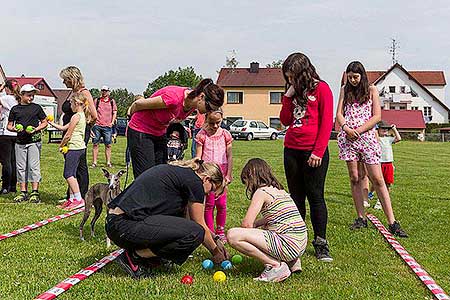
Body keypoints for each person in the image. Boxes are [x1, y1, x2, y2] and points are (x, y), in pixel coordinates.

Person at [105, 158, 229, 279]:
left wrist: (215, 239)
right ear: (207, 179)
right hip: (123, 226)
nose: (208, 195)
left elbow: (189, 221)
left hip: (117, 224)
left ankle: (151, 257)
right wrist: (216, 253)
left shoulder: (182, 175)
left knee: (188, 228)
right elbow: (199, 226)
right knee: (195, 233)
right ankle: (134, 256)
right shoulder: (195, 182)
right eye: (211, 190)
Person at [336, 61, 407, 237]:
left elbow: (377, 116)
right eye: (350, 77)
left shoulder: (372, 90)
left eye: (355, 77)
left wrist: (359, 130)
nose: (352, 80)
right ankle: (361, 218)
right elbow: (338, 114)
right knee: (355, 177)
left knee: (377, 178)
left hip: (366, 138)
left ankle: (392, 222)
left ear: (362, 75)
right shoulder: (345, 90)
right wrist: (346, 128)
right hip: (348, 138)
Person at [279, 52, 334, 261]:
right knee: (296, 197)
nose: (290, 80)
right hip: (291, 150)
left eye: (292, 76)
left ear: (303, 72)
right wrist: (287, 97)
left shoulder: (322, 89)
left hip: (313, 152)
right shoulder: (291, 91)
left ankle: (321, 243)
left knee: (316, 196)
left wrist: (318, 151)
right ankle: (296, 240)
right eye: (287, 77)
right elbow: (284, 121)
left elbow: (327, 123)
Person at [227, 158, 307, 282]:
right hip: (300, 243)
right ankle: (293, 261)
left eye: (246, 181)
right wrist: (258, 224)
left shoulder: (261, 192)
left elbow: (247, 224)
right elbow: (275, 216)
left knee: (233, 235)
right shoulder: (280, 190)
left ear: (252, 177)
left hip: (288, 245)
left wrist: (250, 230)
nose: (247, 186)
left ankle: (275, 266)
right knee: (268, 227)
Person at [127, 79, 224, 179]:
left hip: (159, 133)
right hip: (140, 130)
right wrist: (129, 116)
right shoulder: (174, 98)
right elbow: (137, 104)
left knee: (161, 173)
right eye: (209, 108)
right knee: (145, 177)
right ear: (202, 97)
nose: (208, 112)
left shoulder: (192, 105)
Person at [59, 66, 97, 202]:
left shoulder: (84, 93)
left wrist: (85, 128)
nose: (64, 82)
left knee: (80, 164)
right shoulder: (72, 92)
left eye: (65, 80)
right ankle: (72, 195)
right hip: (70, 131)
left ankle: (82, 195)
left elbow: (94, 115)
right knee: (72, 164)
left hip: (78, 134)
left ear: (72, 78)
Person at [195, 109, 233, 242]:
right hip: (208, 174)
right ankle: (210, 232)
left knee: (221, 204)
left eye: (218, 122)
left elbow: (229, 156)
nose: (215, 126)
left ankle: (220, 230)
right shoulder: (202, 135)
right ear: (206, 119)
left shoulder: (225, 135)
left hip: (221, 174)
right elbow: (198, 156)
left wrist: (228, 174)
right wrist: (198, 173)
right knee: (209, 204)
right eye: (212, 123)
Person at [7, 84, 48, 203]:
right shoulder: (15, 109)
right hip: (20, 142)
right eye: (29, 95)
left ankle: (35, 192)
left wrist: (36, 129)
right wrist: (15, 129)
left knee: (33, 167)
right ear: (22, 95)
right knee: (21, 167)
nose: (31, 97)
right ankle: (23, 192)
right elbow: (9, 126)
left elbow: (44, 122)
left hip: (34, 141)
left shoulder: (37, 108)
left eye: (33, 95)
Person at [48, 93, 89, 210]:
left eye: (71, 103)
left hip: (74, 148)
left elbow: (67, 135)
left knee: (68, 174)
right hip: (80, 148)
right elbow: (64, 128)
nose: (70, 105)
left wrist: (61, 145)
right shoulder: (81, 116)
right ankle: (71, 199)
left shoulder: (75, 116)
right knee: (73, 174)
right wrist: (51, 123)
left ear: (76, 103)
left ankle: (78, 199)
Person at [372, 120, 401, 210]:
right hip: (379, 163)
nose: (385, 130)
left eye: (386, 129)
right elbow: (374, 134)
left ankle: (381, 201)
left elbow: (399, 138)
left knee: (388, 183)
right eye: (383, 128)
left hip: (388, 163)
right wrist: (376, 128)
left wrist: (394, 129)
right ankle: (372, 193)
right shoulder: (377, 139)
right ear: (378, 129)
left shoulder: (389, 139)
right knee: (378, 182)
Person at [0, 80, 20, 194]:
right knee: (13, 161)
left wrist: (1, 88)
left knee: (5, 162)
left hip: (6, 132)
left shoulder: (7, 98)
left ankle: (5, 186)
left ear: (7, 88)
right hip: (16, 133)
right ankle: (13, 185)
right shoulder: (18, 99)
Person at [92, 86, 117, 168]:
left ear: (108, 92)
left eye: (105, 91)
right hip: (98, 125)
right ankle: (94, 162)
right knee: (95, 144)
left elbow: (114, 112)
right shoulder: (97, 100)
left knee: (108, 145)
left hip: (108, 126)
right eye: (103, 90)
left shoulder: (112, 101)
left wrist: (112, 122)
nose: (104, 92)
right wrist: (94, 122)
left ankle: (108, 162)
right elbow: (93, 110)